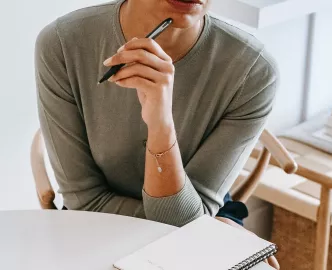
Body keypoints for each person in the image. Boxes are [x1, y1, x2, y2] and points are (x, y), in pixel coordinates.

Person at [35, 0, 279, 268]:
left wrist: (161, 125)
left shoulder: (253, 71)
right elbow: (85, 199)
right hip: (101, 226)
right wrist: (205, 227)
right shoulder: (62, 43)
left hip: (196, 225)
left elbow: (192, 220)